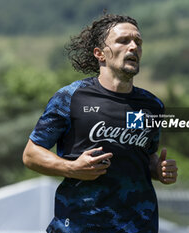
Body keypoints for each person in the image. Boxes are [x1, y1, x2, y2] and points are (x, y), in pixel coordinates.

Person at [22, 14, 178, 233]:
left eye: (138, 42)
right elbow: (31, 154)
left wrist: (159, 170)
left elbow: (144, 157)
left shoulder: (152, 105)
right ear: (100, 54)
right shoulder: (71, 97)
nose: (133, 46)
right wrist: (72, 168)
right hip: (78, 227)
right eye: (123, 40)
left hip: (138, 227)